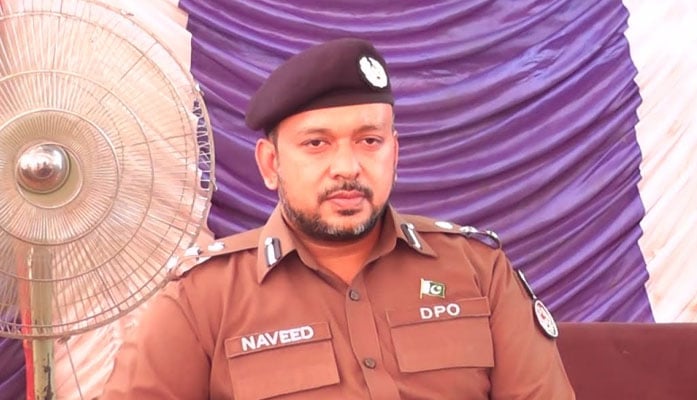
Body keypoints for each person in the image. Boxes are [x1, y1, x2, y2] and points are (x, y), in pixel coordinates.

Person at [101, 38, 575, 399]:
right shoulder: (203, 298)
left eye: (369, 141)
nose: (347, 167)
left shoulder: (477, 271)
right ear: (270, 163)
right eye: (317, 143)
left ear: (394, 153)